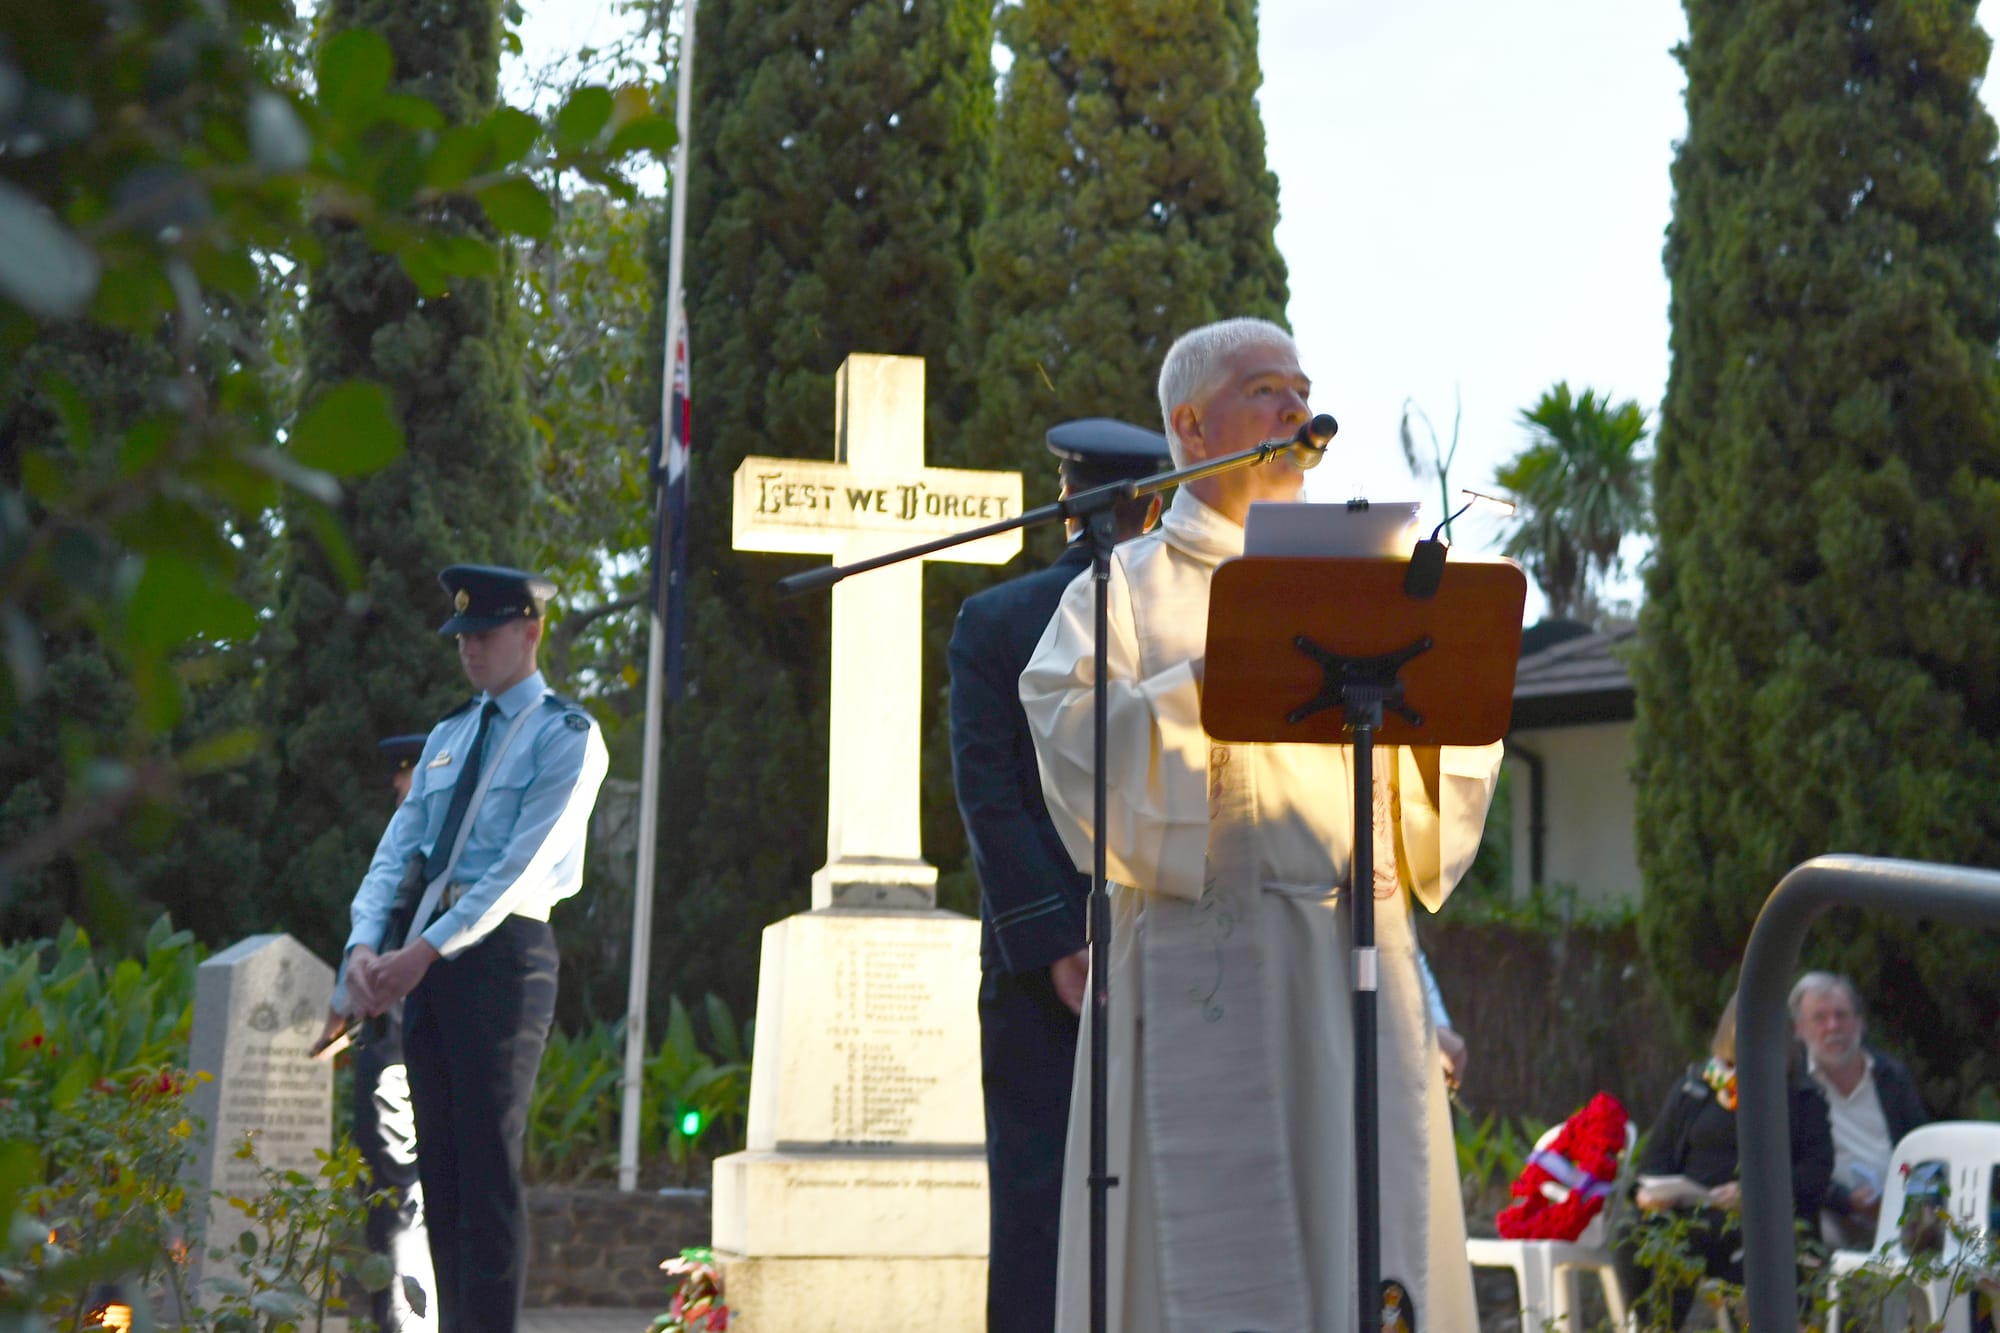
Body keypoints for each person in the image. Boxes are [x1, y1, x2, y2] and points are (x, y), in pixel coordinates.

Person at [1019, 317, 1504, 1331]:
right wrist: (1210, 677)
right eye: (1265, 391)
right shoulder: (1127, 588)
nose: (1295, 409)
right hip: (1206, 957)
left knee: (1363, 1218)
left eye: (1302, 390)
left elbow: (1455, 728)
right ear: (1191, 428)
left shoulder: (1370, 583)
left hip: (1352, 957)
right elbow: (1070, 733)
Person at [339, 564, 608, 1333]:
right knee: (442, 1170)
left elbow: (518, 865)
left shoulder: (566, 735)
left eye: (485, 633)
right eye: (461, 635)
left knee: (487, 1164)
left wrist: (421, 951)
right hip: (428, 958)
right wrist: (364, 942)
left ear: (531, 631)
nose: (469, 648)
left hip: (503, 956)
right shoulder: (450, 734)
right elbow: (398, 849)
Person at [947, 417, 1169, 1333]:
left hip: (1041, 957)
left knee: (1036, 1204)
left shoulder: (995, 618)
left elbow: (987, 793)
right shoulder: (1185, 621)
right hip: (1166, 939)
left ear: (1066, 501)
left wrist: (1054, 934)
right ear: (1152, 505)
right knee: (1160, 1202)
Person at [1614, 994, 1834, 1330]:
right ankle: (1652, 1326)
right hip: (1689, 1215)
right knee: (1634, 1234)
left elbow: (1817, 1173)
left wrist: (1753, 1193)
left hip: (1760, 1222)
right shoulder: (1694, 1089)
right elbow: (1652, 1163)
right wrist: (1648, 1194)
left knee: (1750, 1261)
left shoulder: (1801, 1097)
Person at [319, 733, 439, 1333]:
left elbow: (398, 935)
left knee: (400, 1188)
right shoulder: (407, 844)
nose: (397, 784)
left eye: (406, 772)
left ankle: (404, 1319)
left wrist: (343, 1008)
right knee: (385, 1186)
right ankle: (391, 1315)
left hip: (402, 1035)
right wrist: (341, 1008)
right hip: (386, 1032)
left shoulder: (429, 851)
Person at [1790, 971, 1930, 1248]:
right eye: (1820, 1018)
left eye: (1841, 1015)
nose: (1833, 1027)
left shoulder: (1890, 1077)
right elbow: (1794, 1173)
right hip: (1831, 1215)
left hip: (1901, 1211)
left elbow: (1923, 1147)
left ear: (1859, 1022)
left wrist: (1922, 1201)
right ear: (1800, 1029)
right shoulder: (1795, 1089)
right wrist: (1846, 1201)